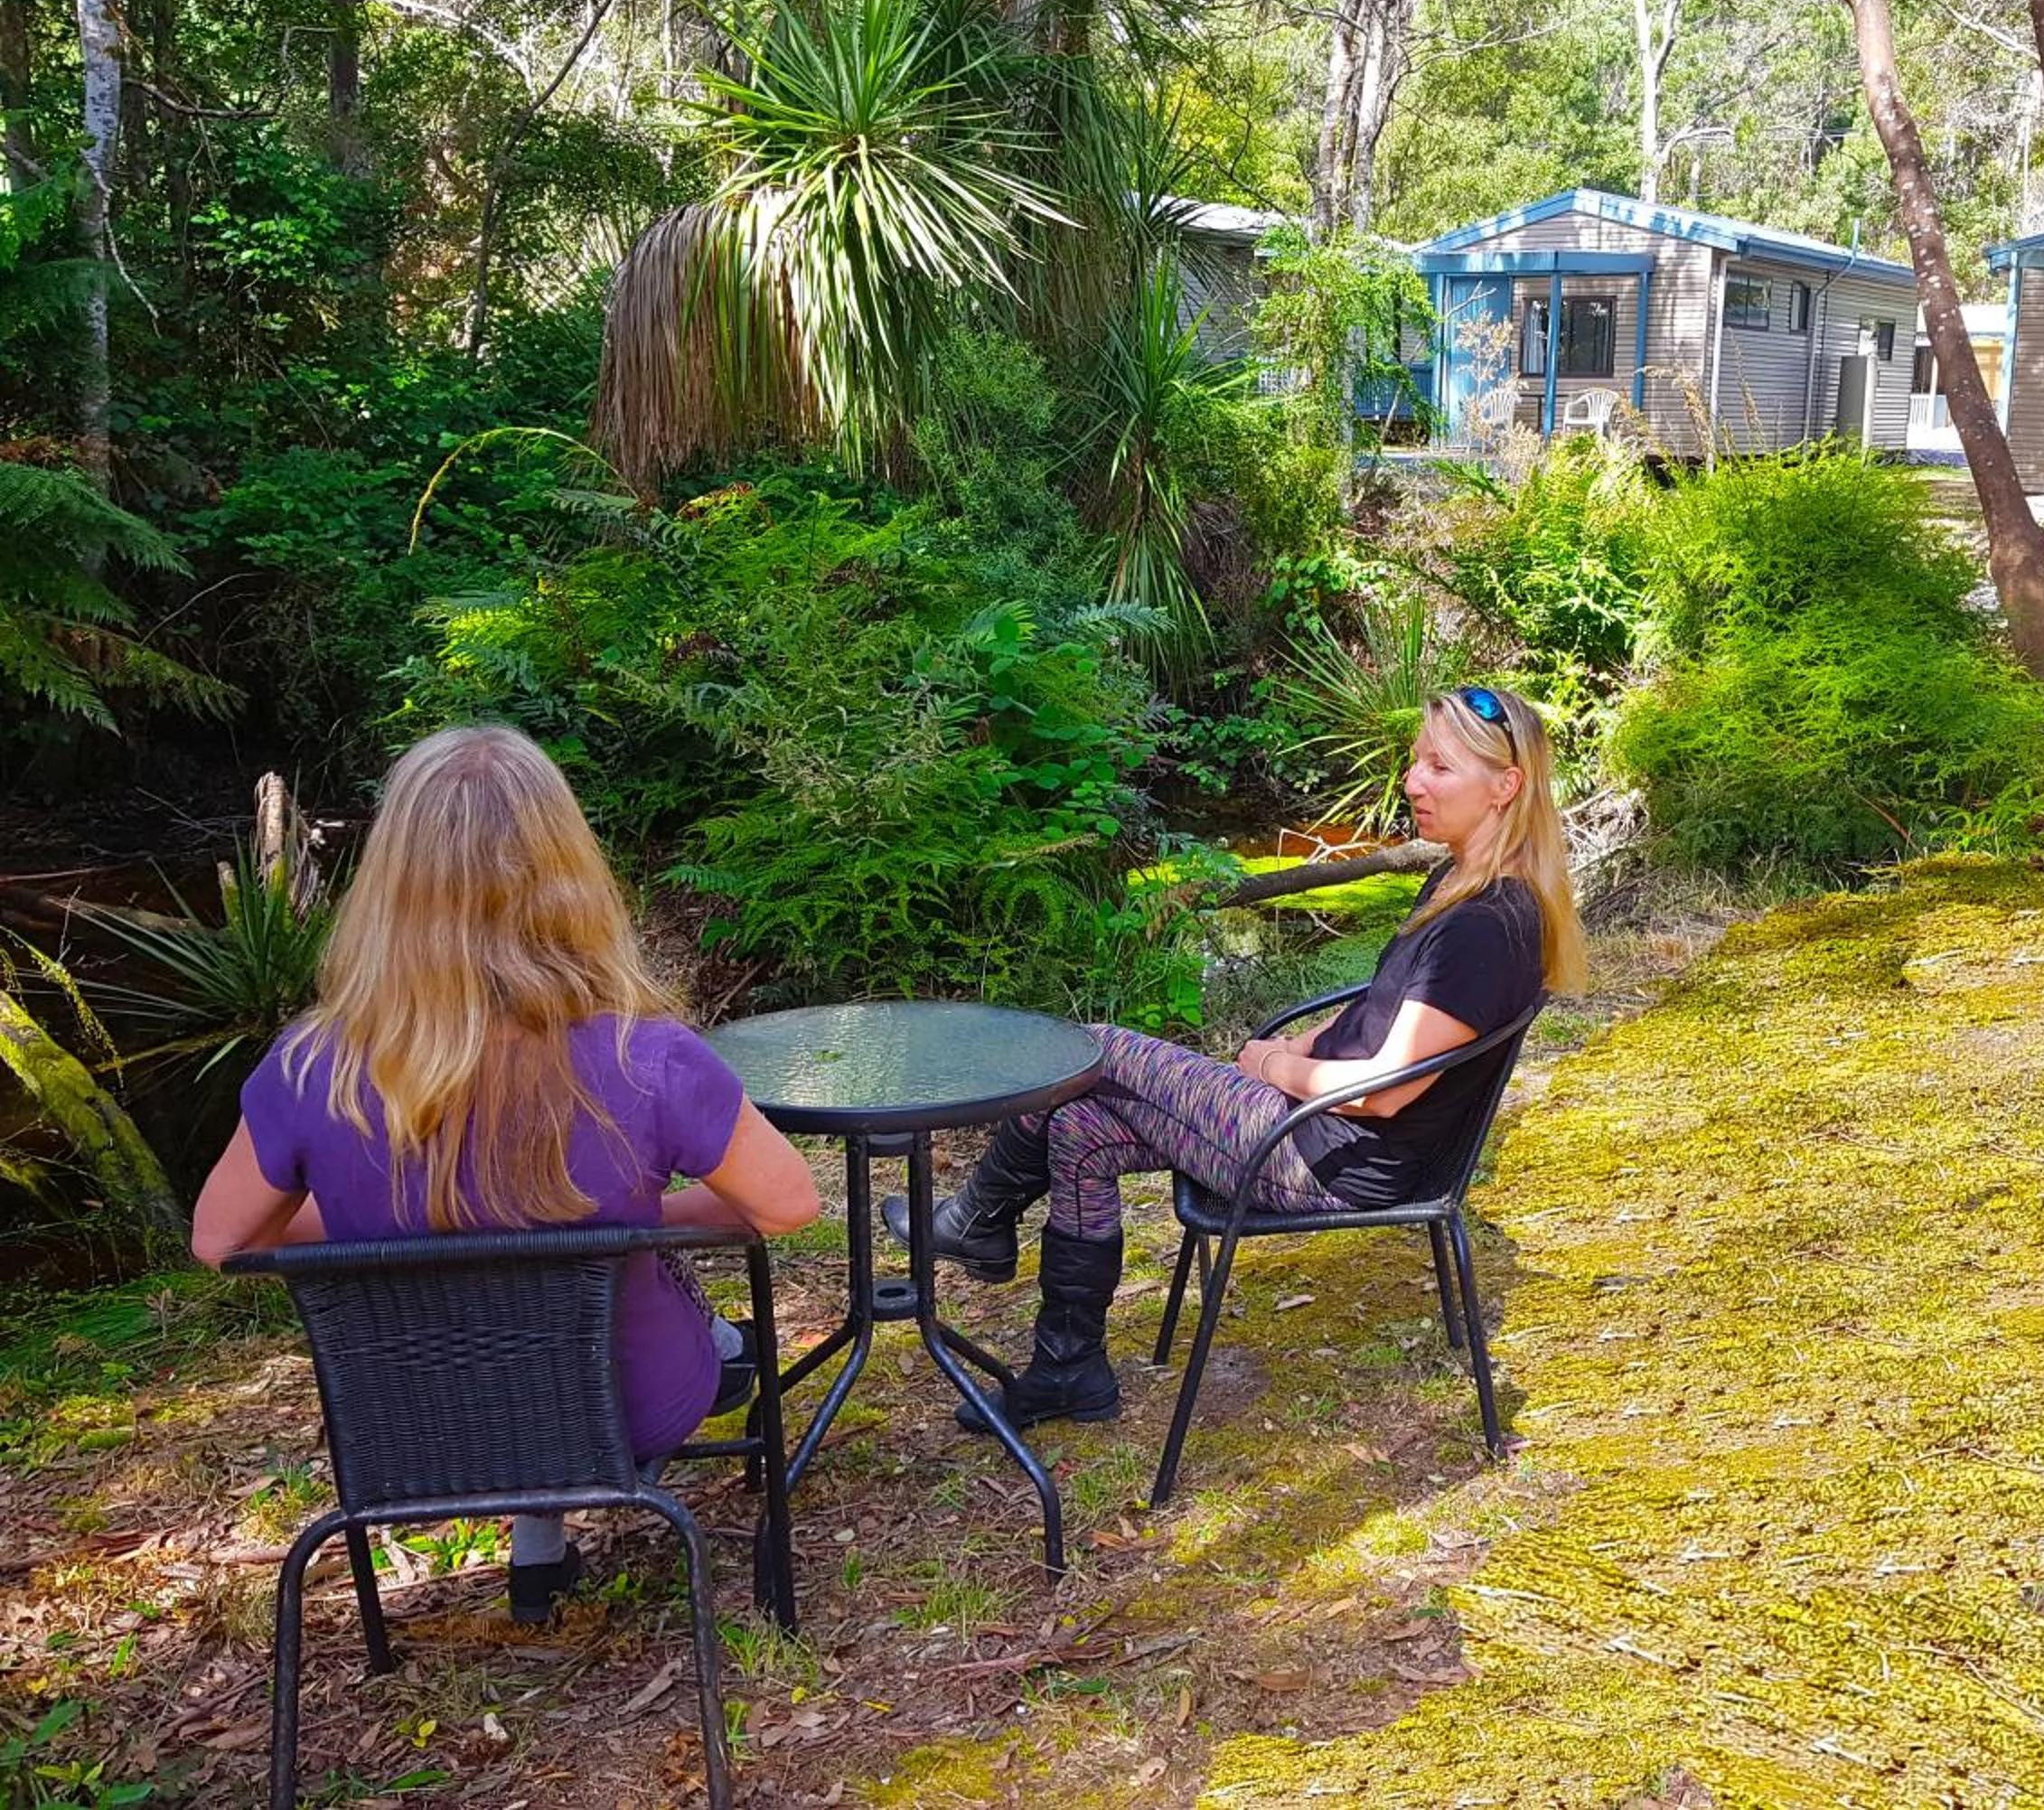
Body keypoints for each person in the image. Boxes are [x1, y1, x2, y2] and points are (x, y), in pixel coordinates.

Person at [191, 726, 820, 1622]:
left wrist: (391, 1224)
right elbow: (789, 1204)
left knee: (518, 1311)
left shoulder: (307, 1068)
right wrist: (637, 1217)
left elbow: (223, 1240)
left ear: (388, 886)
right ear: (568, 873)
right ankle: (719, 1358)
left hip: (411, 1427)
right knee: (685, 1324)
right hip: (624, 1405)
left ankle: (541, 1546)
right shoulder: (651, 1060)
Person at [896, 683, 1586, 1432]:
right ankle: (1068, 1371)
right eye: (1417, 761)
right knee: (1080, 1128)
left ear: (1505, 786)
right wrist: (1304, 1044)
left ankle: (974, 1220)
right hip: (1314, 1128)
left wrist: (1271, 1067)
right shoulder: (1457, 881)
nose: (1414, 782)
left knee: (1097, 1043)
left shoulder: (1487, 925)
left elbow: (1384, 1091)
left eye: (1439, 768)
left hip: (1328, 1157)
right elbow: (1382, 1018)